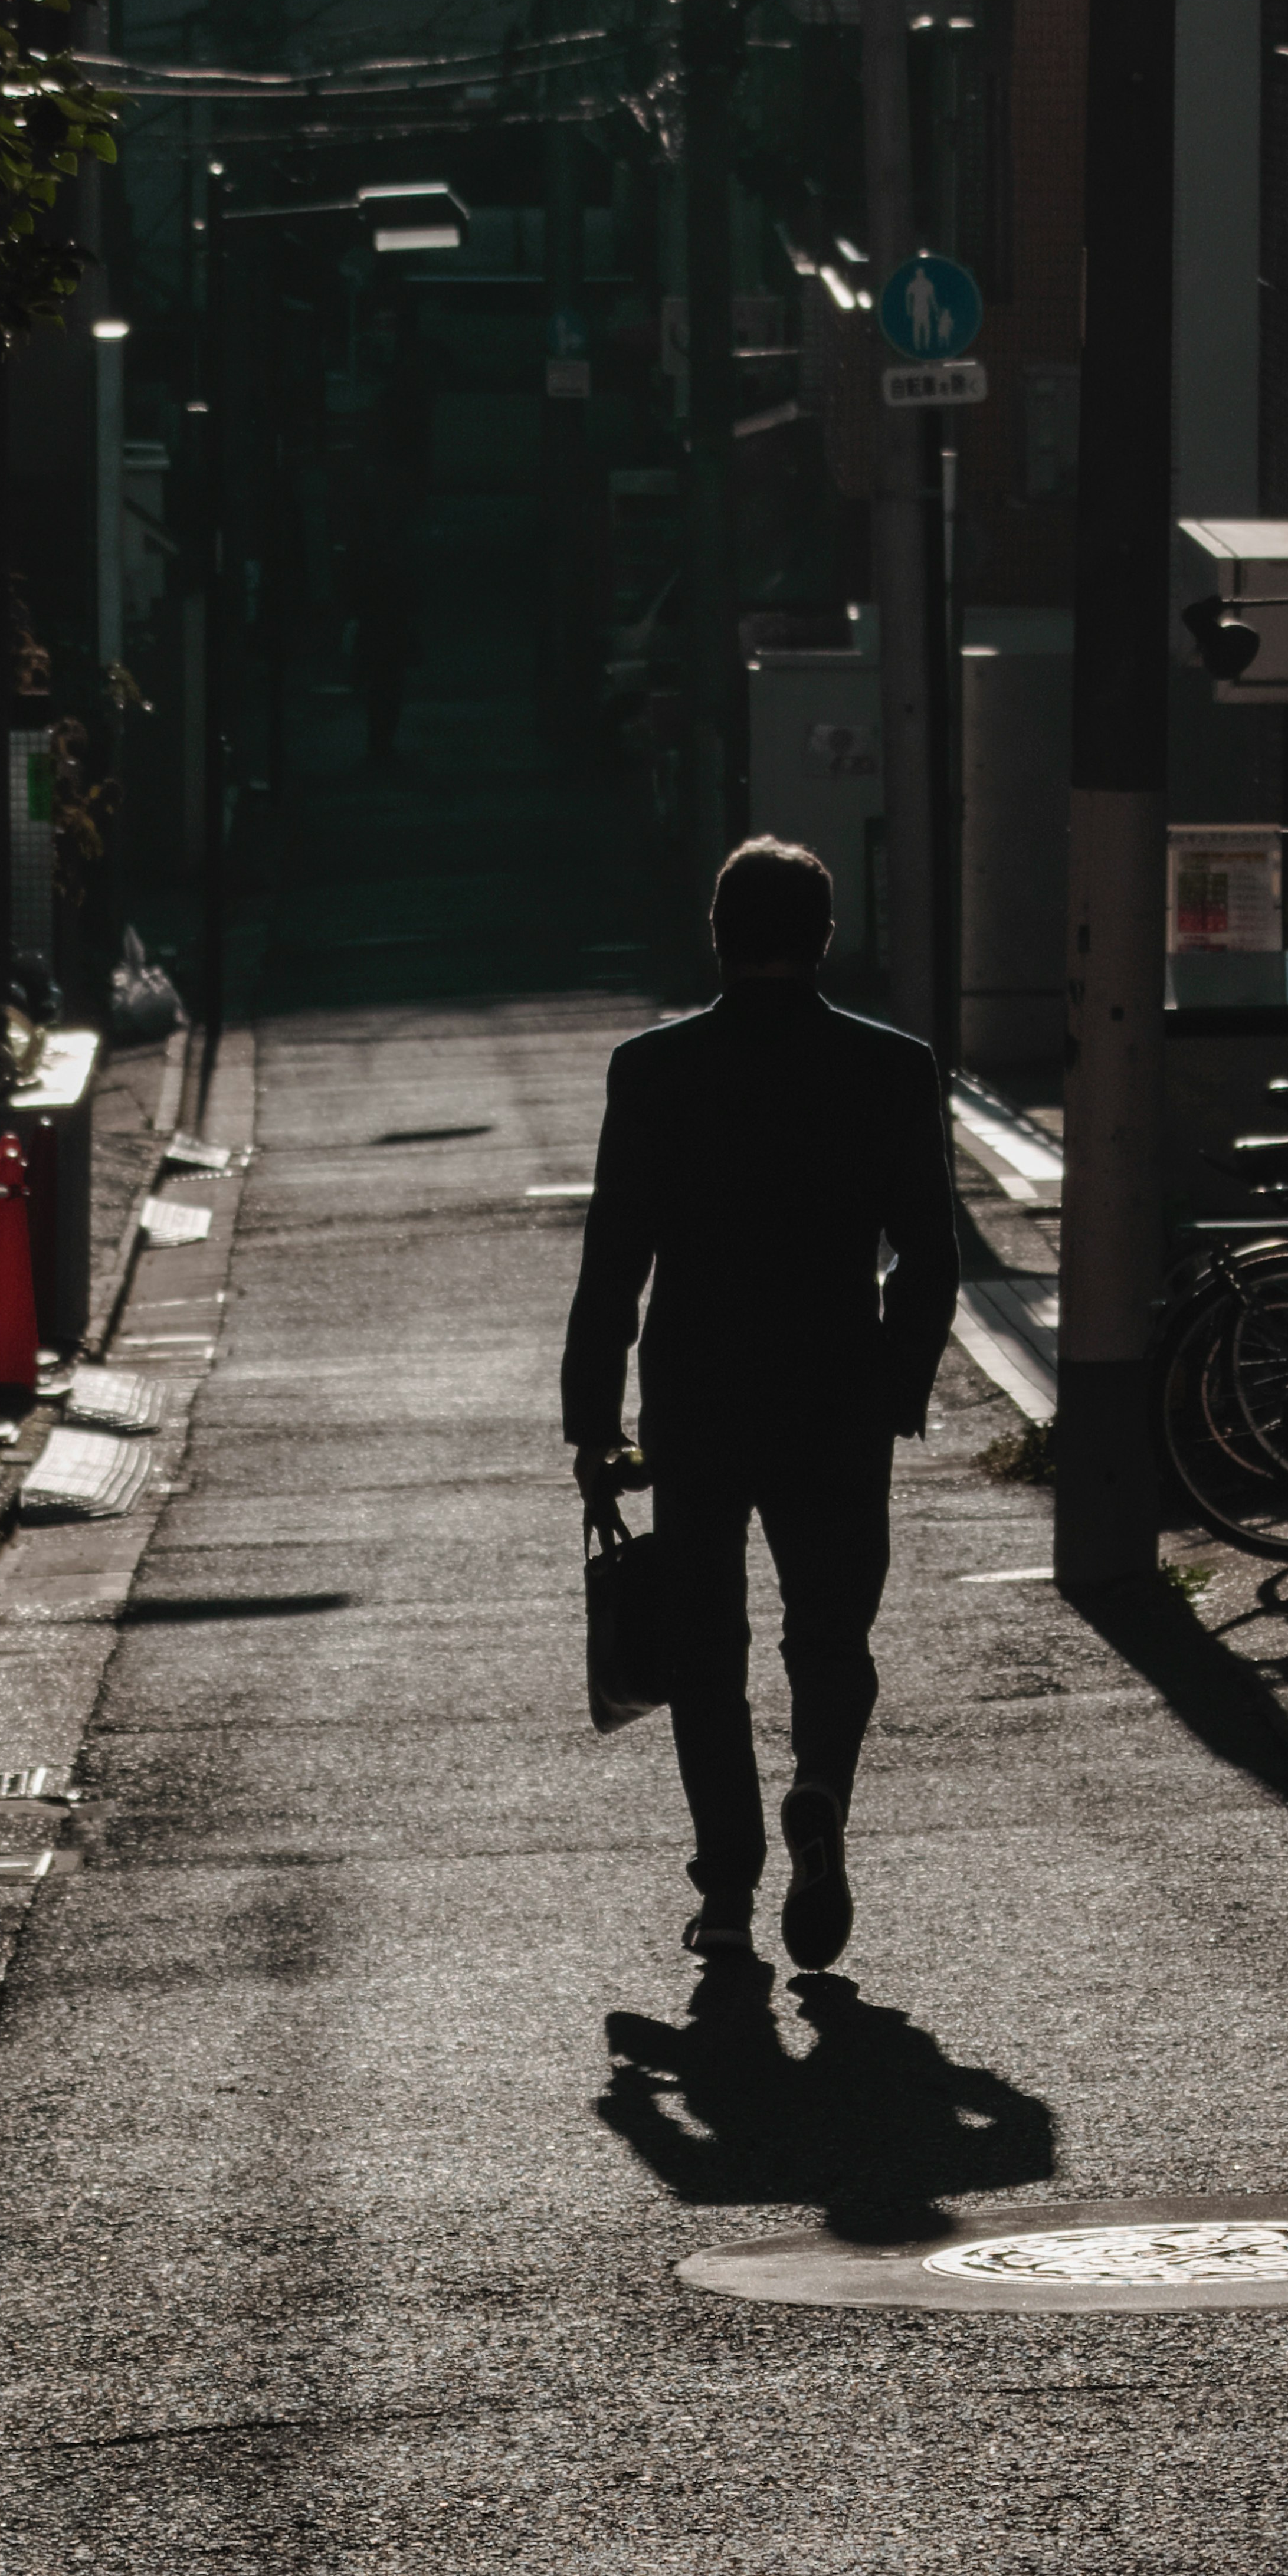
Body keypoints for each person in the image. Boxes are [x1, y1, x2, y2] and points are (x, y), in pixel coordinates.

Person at [561, 836, 959, 1971]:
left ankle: (728, 1890)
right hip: (836, 1393)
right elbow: (929, 1255)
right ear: (827, 936)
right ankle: (821, 1788)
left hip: (698, 1397)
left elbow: (613, 1267)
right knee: (830, 1632)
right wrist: (896, 1383)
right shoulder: (891, 1067)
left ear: (719, 934)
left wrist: (596, 1423)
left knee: (708, 1650)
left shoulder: (654, 1069)